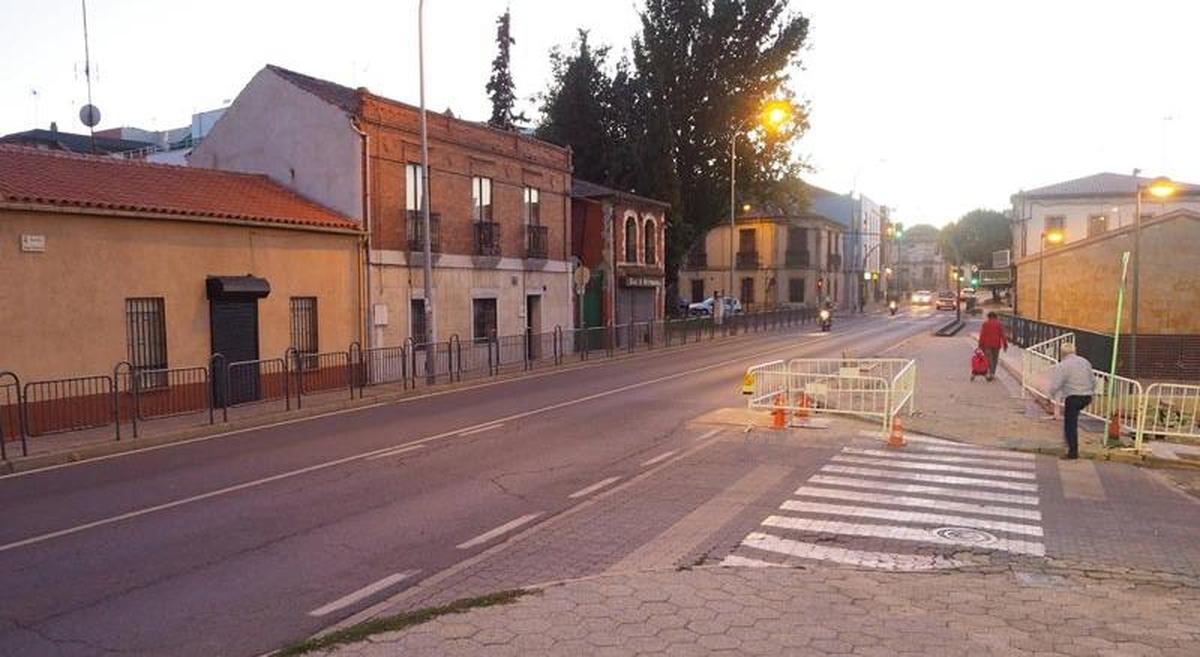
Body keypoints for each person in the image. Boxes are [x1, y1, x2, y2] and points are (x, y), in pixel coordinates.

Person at [1046, 343, 1094, 460]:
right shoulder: (1085, 362)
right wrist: (1090, 391)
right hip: (1087, 396)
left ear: (1061, 353)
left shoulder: (1062, 365)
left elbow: (1056, 384)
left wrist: (1049, 396)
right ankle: (1067, 443)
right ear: (1075, 351)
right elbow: (1093, 380)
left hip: (1073, 397)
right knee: (1072, 419)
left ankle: (1072, 451)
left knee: (1070, 424)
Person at [977, 311, 1008, 381]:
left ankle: (989, 372)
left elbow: (982, 335)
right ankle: (992, 373)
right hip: (996, 344)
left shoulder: (985, 324)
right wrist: (1005, 345)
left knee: (988, 359)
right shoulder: (999, 324)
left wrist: (980, 344)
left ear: (988, 317)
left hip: (987, 344)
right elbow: (1003, 335)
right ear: (995, 316)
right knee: (995, 359)